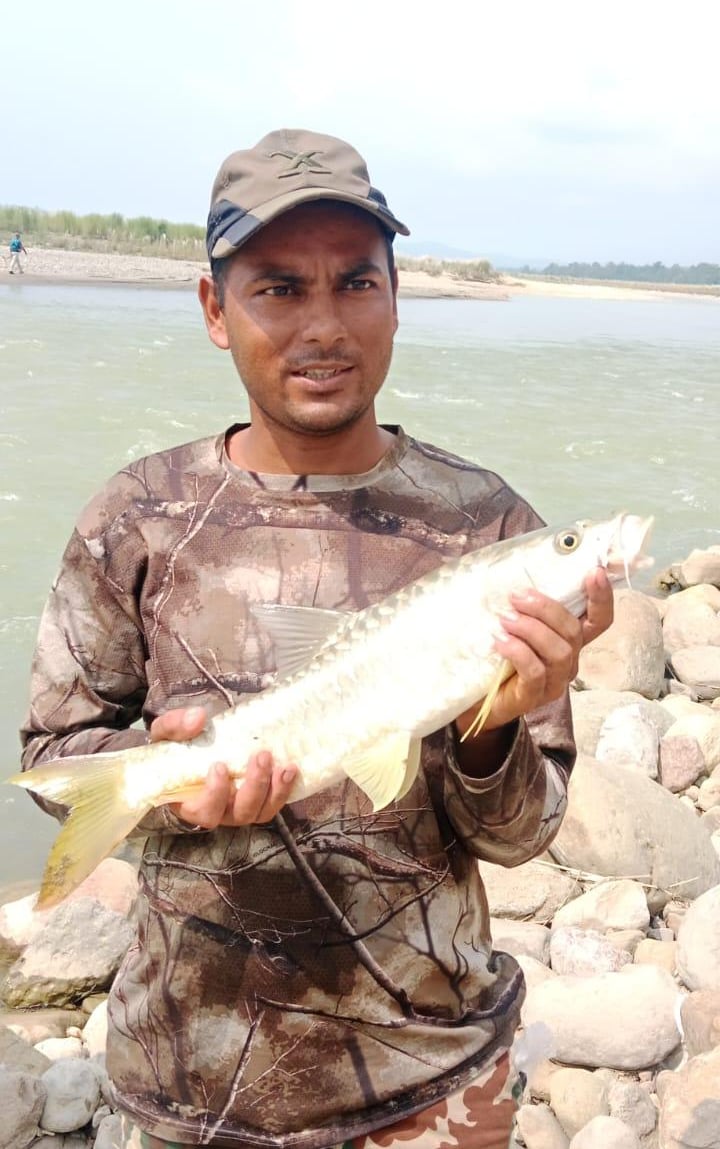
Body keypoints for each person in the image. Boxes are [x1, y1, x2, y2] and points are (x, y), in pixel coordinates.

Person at [20, 129, 613, 1149]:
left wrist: (492, 728)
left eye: (355, 283)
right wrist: (170, 788)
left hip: (434, 1078)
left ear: (395, 295)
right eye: (280, 290)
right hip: (195, 1086)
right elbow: (51, 762)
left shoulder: (486, 528)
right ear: (216, 310)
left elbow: (522, 836)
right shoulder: (138, 517)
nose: (324, 326)